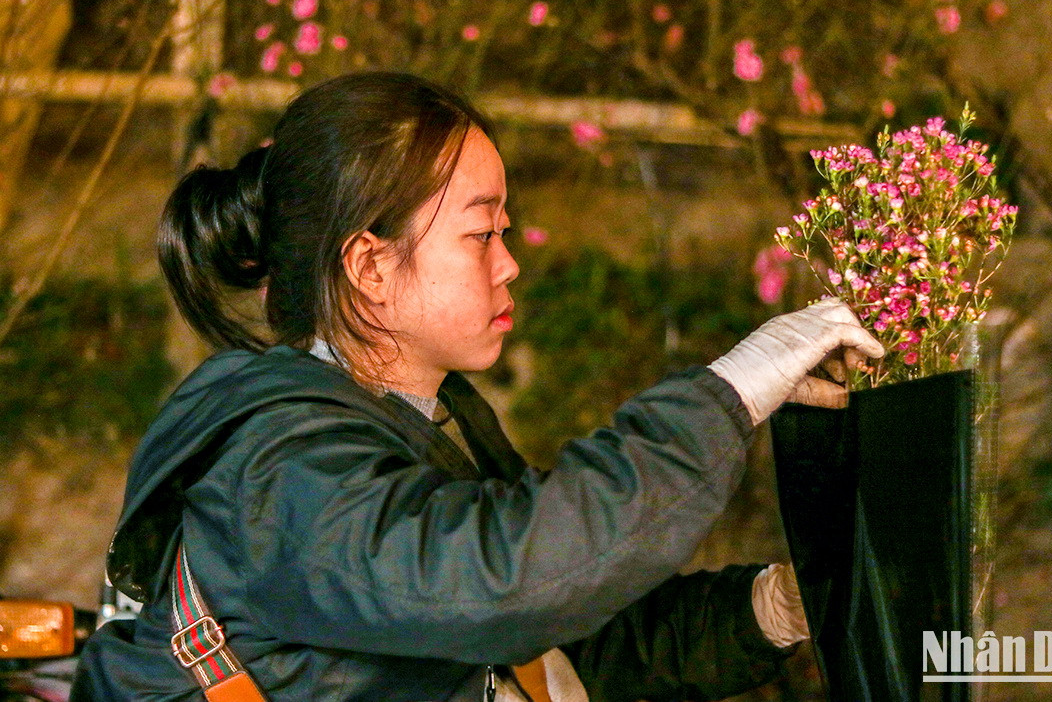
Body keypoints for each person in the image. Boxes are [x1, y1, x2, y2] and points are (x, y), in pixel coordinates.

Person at [71, 71, 883, 702]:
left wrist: (767, 609)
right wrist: (731, 391)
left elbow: (561, 639)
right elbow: (503, 582)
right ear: (370, 266)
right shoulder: (276, 469)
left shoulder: (422, 422)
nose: (509, 260)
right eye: (480, 231)